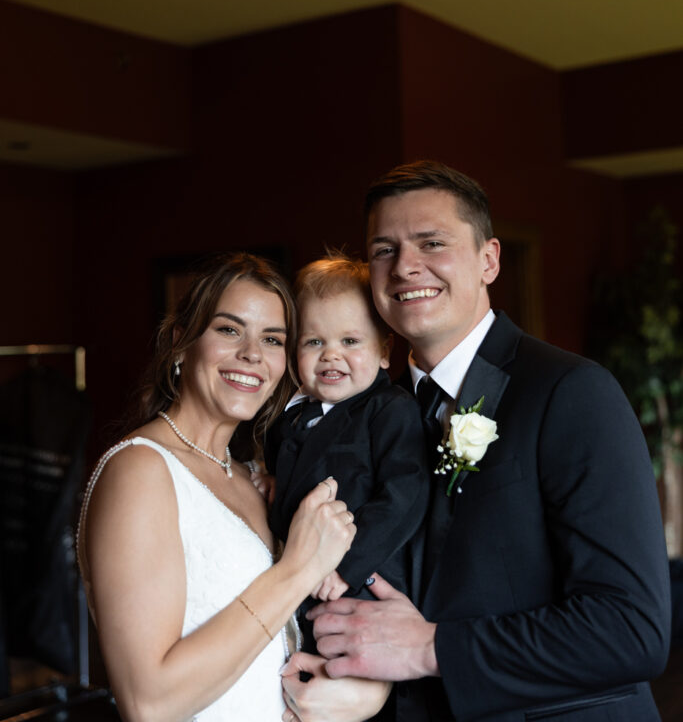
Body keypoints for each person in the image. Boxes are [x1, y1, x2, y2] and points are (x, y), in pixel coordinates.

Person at [296, 161, 672, 722]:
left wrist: (430, 648)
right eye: (384, 250)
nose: (405, 266)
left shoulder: (571, 392)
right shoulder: (366, 415)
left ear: (489, 260)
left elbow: (630, 630)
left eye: (432, 243)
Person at [77, 252, 390, 722]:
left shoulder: (254, 477)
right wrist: (298, 568)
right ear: (181, 343)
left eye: (272, 339)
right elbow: (149, 703)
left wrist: (368, 692)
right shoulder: (140, 469)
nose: (252, 354)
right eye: (229, 330)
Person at [264, 254, 429, 654]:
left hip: (362, 587)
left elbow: (404, 496)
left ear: (384, 350)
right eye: (314, 342)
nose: (331, 354)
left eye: (350, 341)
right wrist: (269, 484)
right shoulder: (290, 418)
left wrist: (346, 566)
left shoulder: (389, 410)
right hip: (298, 586)